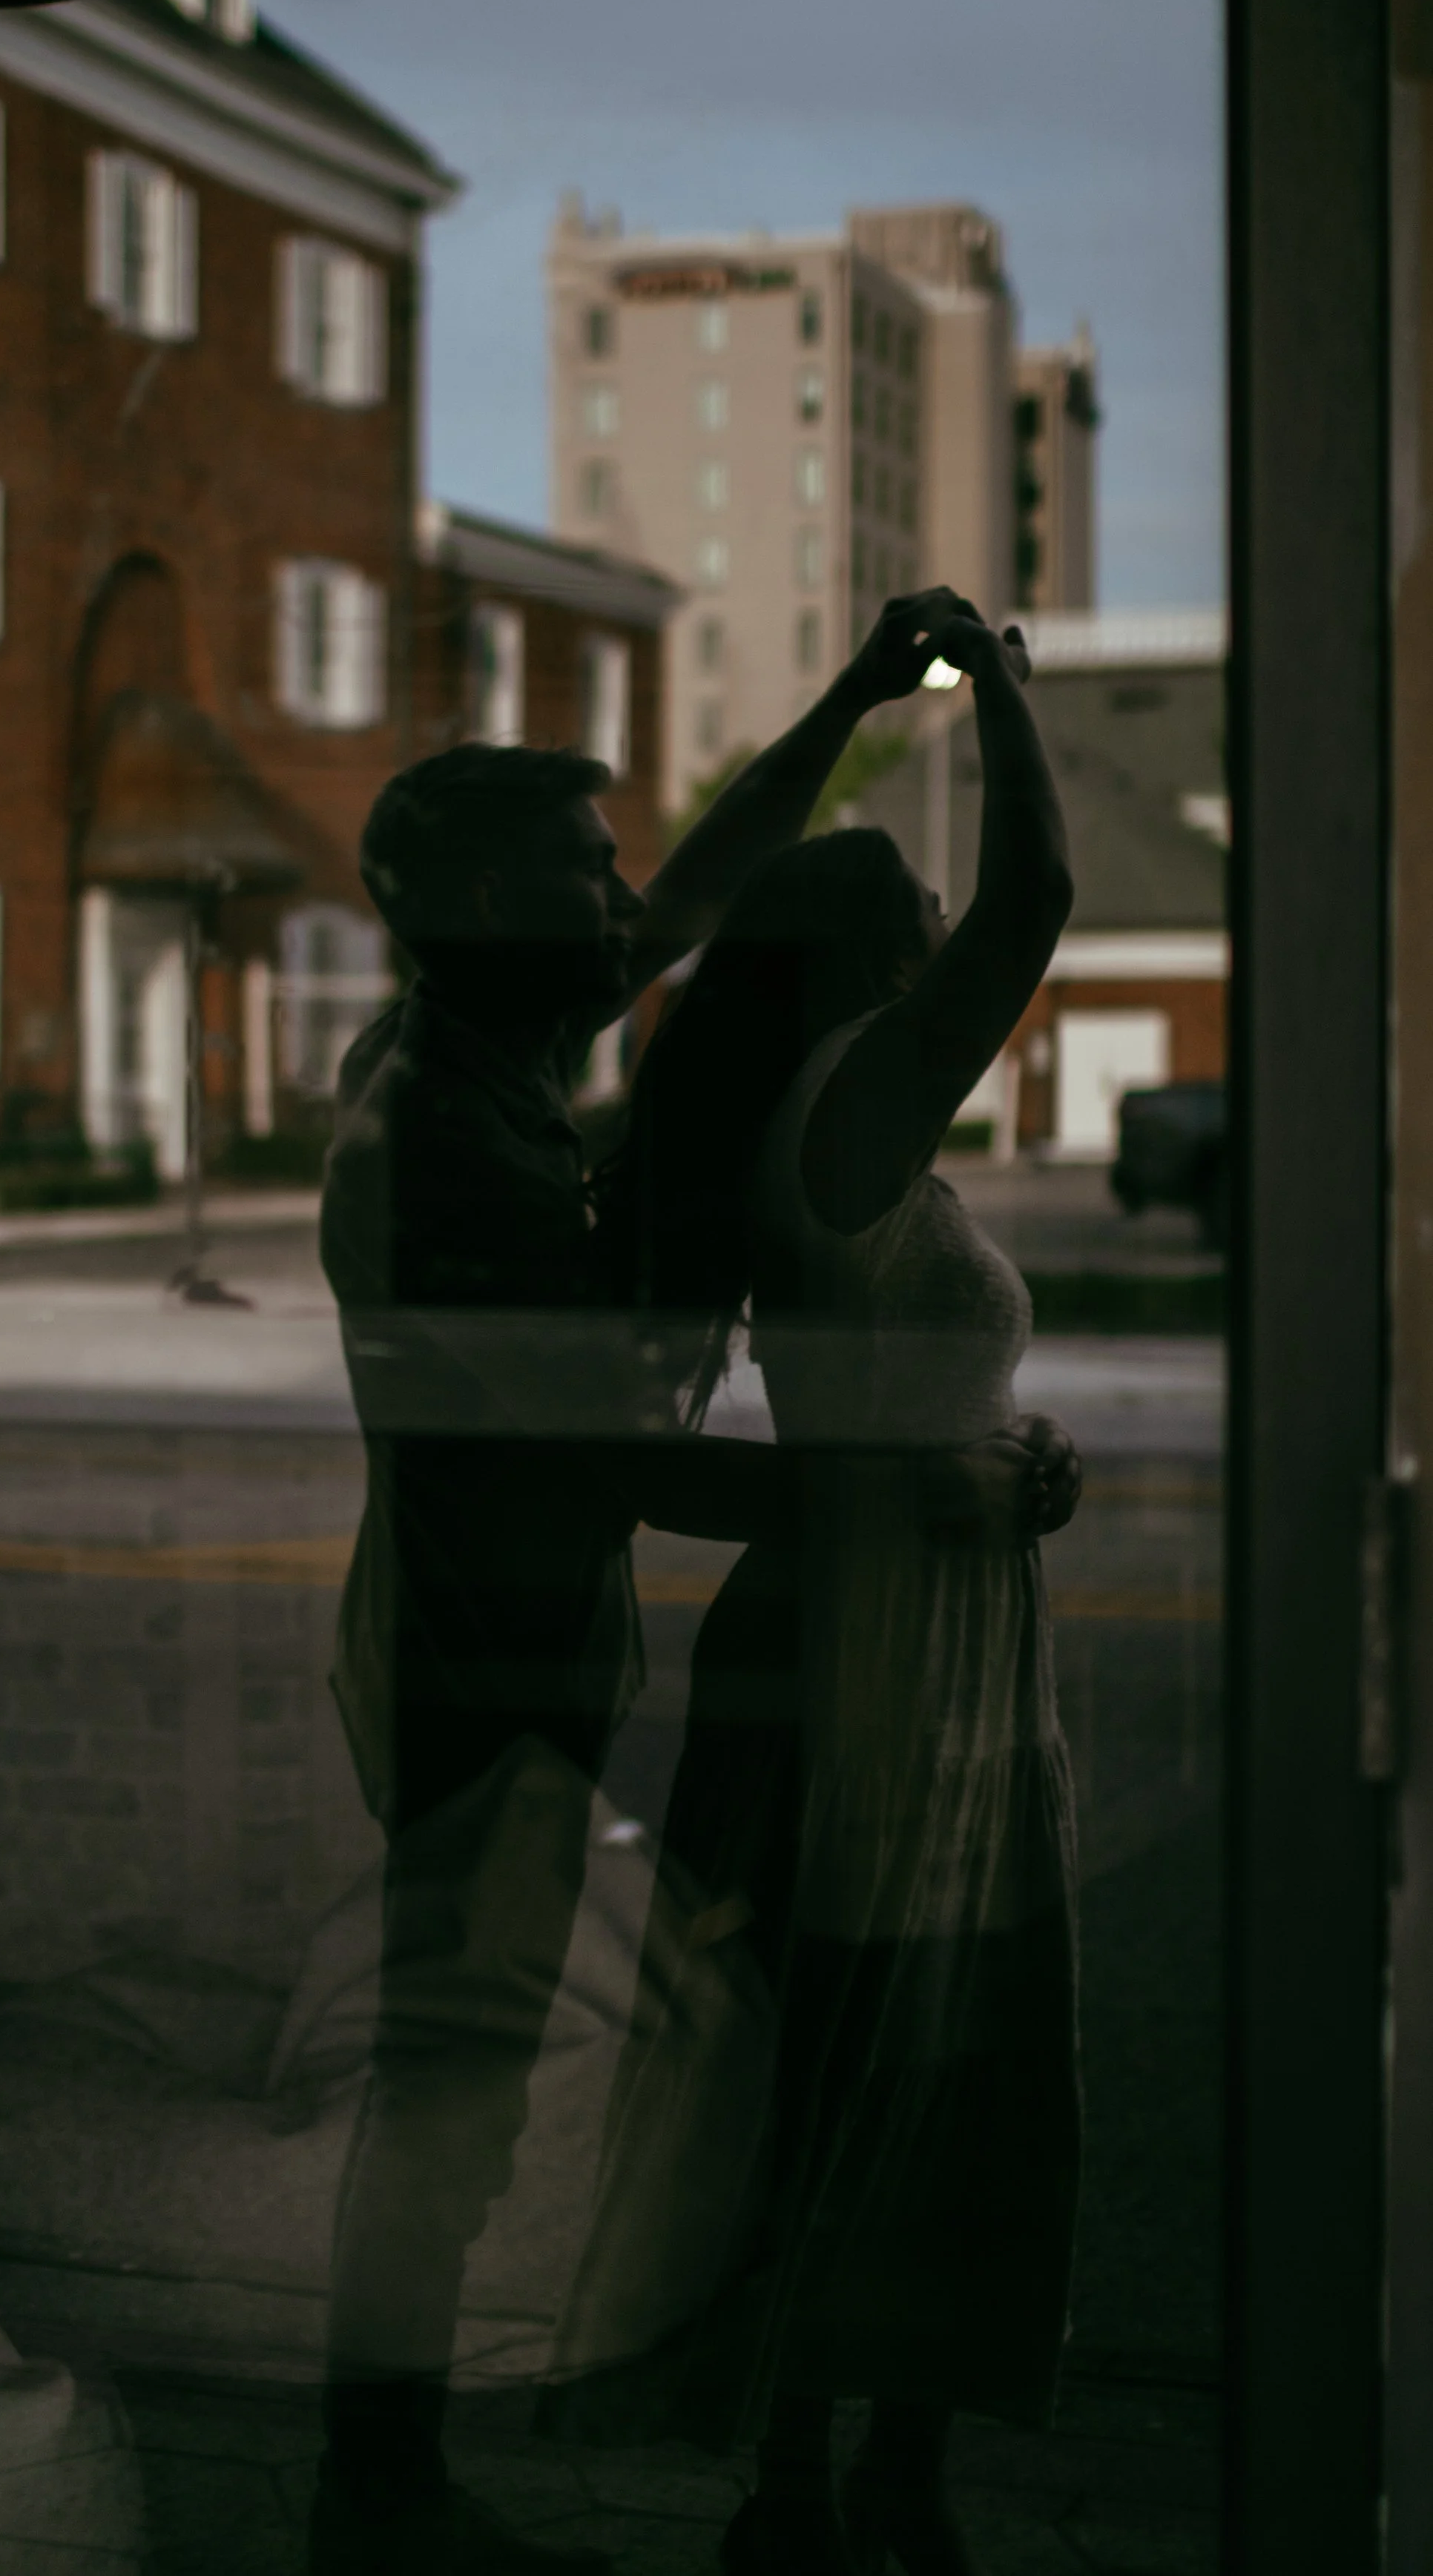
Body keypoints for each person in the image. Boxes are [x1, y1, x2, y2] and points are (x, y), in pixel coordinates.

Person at [312, 594, 988, 2576]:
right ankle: (373, 2486)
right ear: (482, 912)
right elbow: (594, 1452)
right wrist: (891, 1491)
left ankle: (384, 2471)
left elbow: (702, 881)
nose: (623, 908)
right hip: (479, 1666)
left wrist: (856, 705)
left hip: (515, 1643)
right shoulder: (442, 1138)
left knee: (465, 2081)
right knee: (447, 2091)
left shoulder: (482, 1051)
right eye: (578, 873)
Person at [541, 600, 1082, 2576]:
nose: (948, 945)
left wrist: (1000, 1447)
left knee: (853, 2045)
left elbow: (886, 1402)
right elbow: (1045, 892)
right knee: (905, 2054)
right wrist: (1001, 686)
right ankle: (847, 2473)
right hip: (892, 1670)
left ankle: (827, 2468)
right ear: (866, 963)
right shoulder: (855, 1092)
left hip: (909, 1627)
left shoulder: (834, 1129)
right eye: (914, 918)